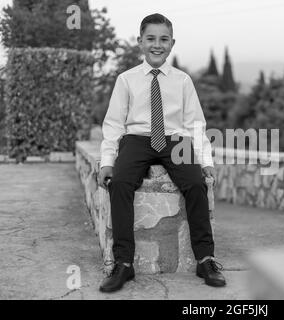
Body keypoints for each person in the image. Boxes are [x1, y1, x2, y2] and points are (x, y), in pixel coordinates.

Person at [97, 13, 226, 293]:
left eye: (164, 39)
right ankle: (123, 264)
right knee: (120, 183)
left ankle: (205, 259)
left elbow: (196, 123)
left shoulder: (182, 81)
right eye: (151, 39)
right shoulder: (126, 80)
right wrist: (107, 161)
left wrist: (205, 161)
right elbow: (114, 123)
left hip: (176, 139)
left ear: (172, 43)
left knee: (194, 183)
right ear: (140, 42)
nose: (157, 45)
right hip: (137, 138)